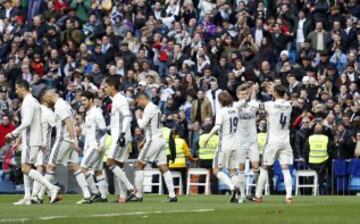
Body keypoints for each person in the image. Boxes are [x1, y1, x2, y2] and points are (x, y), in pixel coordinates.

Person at [5, 80, 59, 205]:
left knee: (26, 168)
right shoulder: (32, 101)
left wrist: (14, 133)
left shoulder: (29, 102)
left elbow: (27, 122)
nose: (16, 91)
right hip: (30, 139)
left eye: (17, 89)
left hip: (31, 140)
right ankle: (27, 196)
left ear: (22, 88)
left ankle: (51, 187)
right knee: (25, 167)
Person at [36, 89, 91, 204]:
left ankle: (39, 196)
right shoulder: (65, 104)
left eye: (45, 97)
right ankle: (87, 195)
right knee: (75, 167)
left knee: (50, 167)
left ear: (49, 95)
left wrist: (73, 139)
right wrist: (73, 139)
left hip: (63, 140)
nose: (45, 100)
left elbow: (69, 123)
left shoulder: (60, 106)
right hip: (69, 140)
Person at [132, 93, 177, 202]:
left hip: (154, 140)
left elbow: (142, 125)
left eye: (138, 102)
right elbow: (151, 127)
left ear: (143, 99)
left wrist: (138, 116)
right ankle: (172, 195)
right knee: (163, 167)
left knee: (138, 165)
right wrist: (144, 140)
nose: (139, 105)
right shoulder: (156, 107)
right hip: (160, 139)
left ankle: (138, 195)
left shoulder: (149, 108)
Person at [254, 84, 294, 204]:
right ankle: (289, 196)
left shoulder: (269, 105)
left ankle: (258, 195)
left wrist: (254, 93)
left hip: (272, 141)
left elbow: (255, 105)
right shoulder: (288, 105)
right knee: (286, 169)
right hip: (285, 141)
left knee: (265, 168)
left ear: (275, 93)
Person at [204, 91, 241, 203]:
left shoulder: (222, 112)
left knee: (216, 170)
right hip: (235, 144)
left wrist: (208, 137)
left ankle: (232, 187)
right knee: (233, 170)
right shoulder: (236, 110)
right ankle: (239, 197)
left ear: (220, 101)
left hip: (224, 144)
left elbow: (217, 126)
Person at [103, 76, 136, 203]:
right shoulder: (116, 99)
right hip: (120, 135)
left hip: (120, 137)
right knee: (119, 166)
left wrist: (121, 134)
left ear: (112, 86)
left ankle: (131, 188)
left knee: (110, 163)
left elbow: (128, 116)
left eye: (106, 86)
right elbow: (118, 120)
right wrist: (107, 128)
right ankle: (123, 196)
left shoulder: (120, 99)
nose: (104, 89)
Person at [80, 91, 108, 202]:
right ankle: (103, 197)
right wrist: (86, 147)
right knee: (98, 171)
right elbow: (89, 133)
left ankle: (95, 192)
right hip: (93, 145)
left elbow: (103, 129)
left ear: (91, 100)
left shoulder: (96, 112)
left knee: (83, 168)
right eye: (82, 100)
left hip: (96, 146)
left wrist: (100, 144)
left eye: (84, 100)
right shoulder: (88, 114)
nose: (82, 102)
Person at [234, 83, 261, 199]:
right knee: (241, 168)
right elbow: (236, 107)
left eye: (246, 93)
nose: (244, 96)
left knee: (256, 166)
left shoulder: (252, 105)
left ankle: (255, 191)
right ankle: (242, 193)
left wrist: (253, 92)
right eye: (242, 94)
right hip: (240, 141)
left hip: (252, 141)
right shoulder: (235, 105)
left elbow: (255, 102)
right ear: (238, 95)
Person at [31, 95, 57, 203]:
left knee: (41, 167)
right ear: (45, 99)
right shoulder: (48, 112)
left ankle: (42, 194)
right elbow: (58, 126)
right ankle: (36, 195)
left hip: (35, 142)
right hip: (44, 145)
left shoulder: (36, 110)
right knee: (41, 168)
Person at [306, 123, 332, 195]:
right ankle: (321, 194)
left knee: (310, 179)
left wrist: (307, 162)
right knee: (321, 181)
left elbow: (306, 151)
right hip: (323, 163)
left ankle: (308, 195)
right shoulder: (326, 138)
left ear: (314, 130)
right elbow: (330, 151)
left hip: (311, 163)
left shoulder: (310, 138)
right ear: (322, 130)